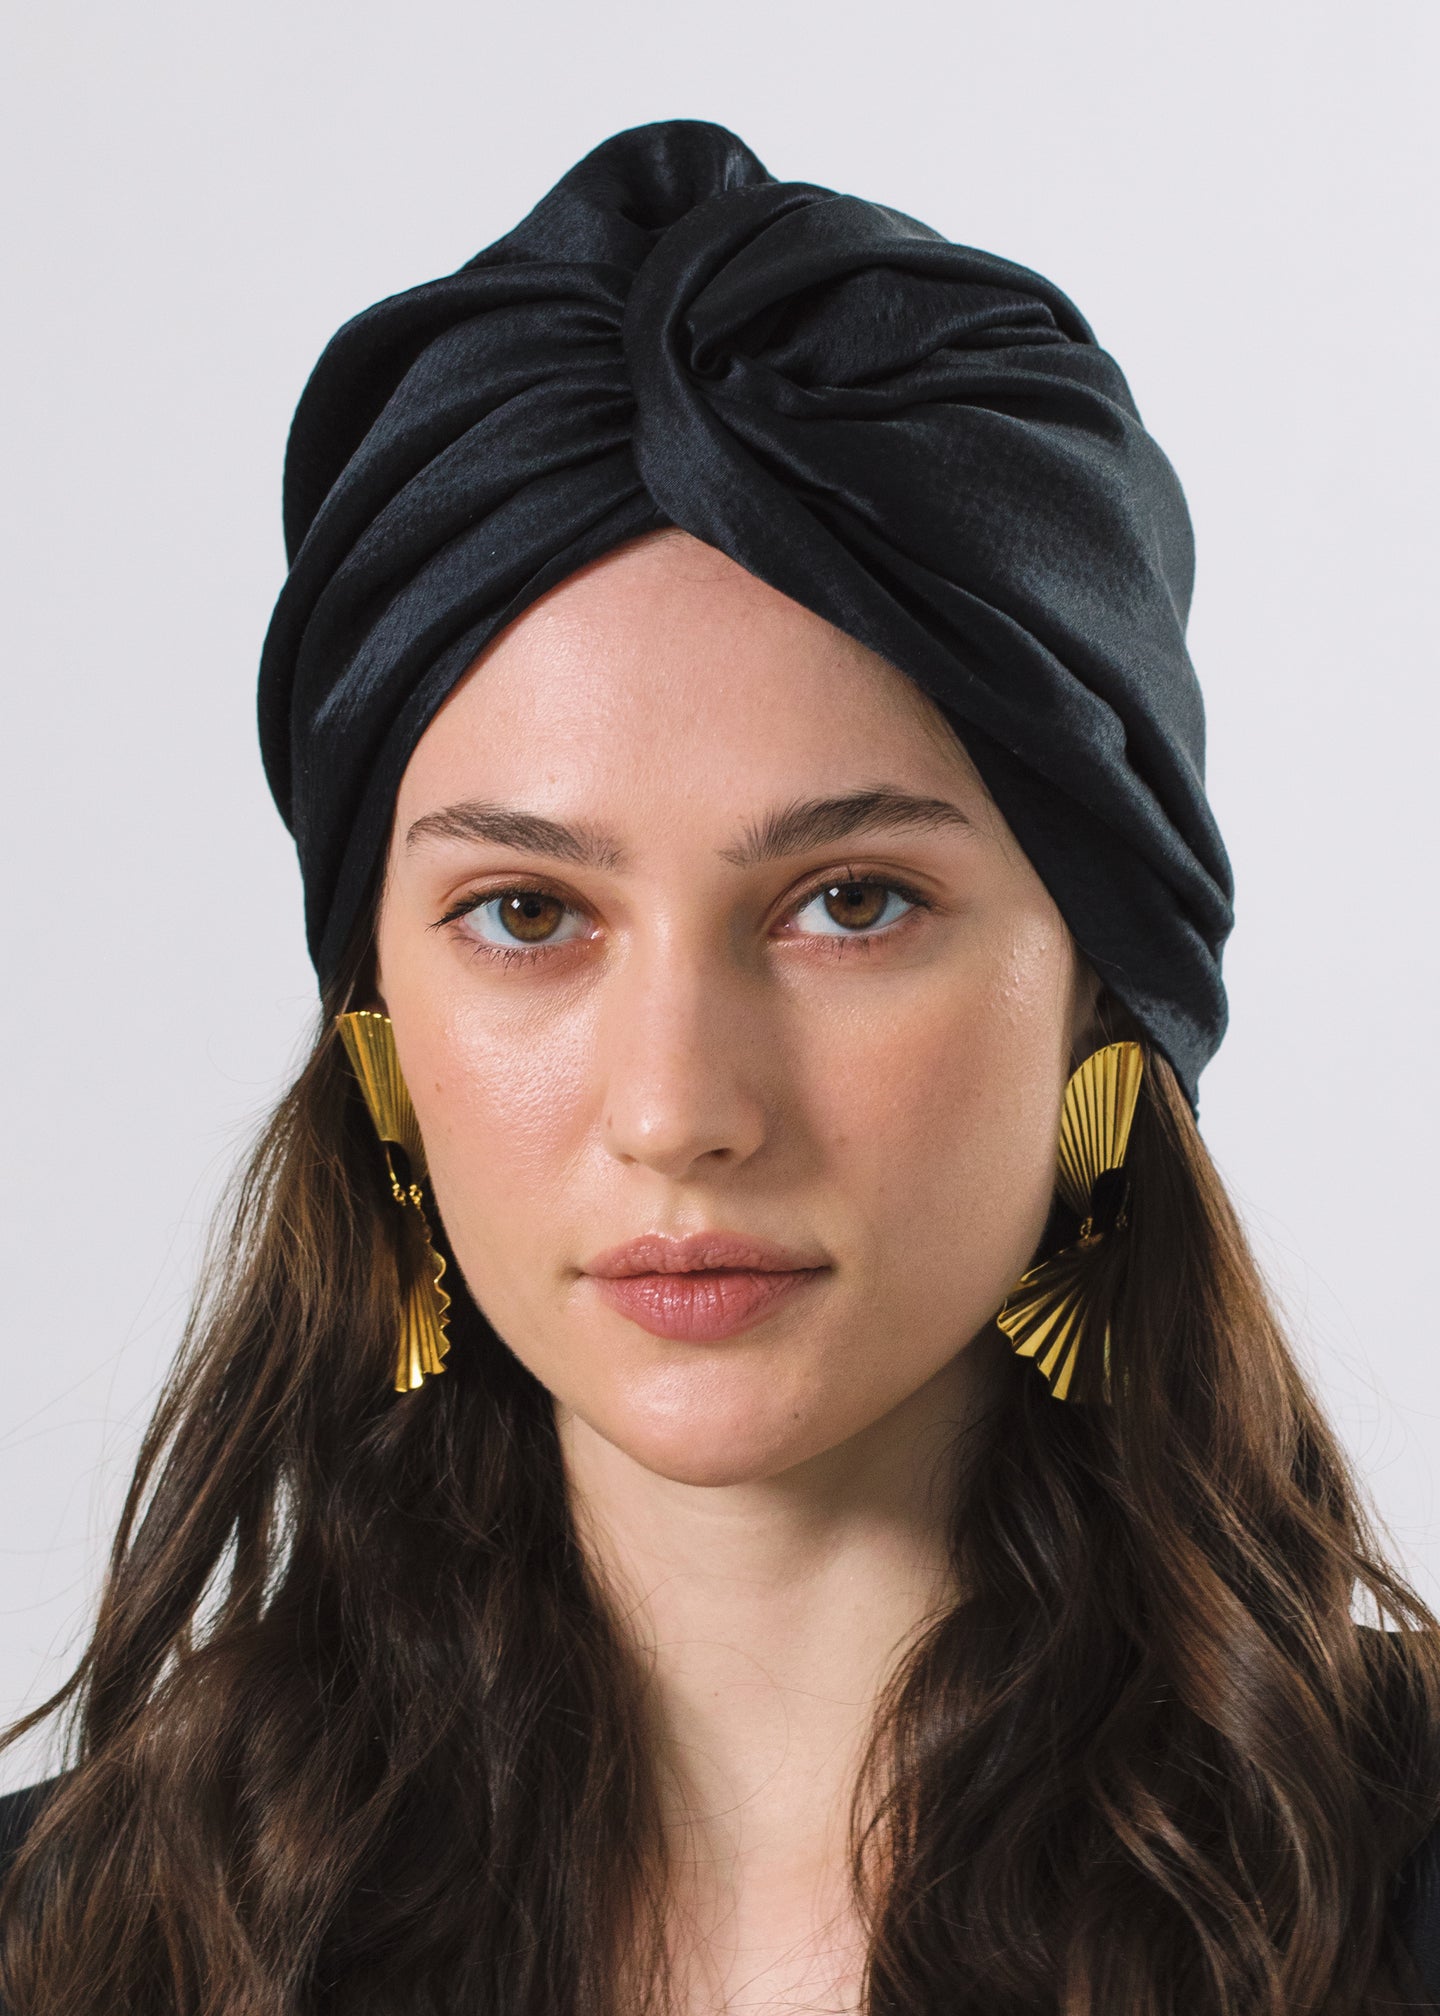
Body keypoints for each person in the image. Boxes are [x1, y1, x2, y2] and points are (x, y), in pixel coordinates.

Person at [2, 117, 1437, 2016]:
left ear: (1105, 990)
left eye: (851, 903)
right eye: (528, 913)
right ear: (379, 1034)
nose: (678, 1110)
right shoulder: (68, 1940)